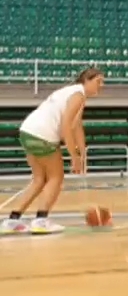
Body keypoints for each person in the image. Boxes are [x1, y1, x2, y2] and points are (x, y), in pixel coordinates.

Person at [1, 68, 104, 235]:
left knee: (39, 179)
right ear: (87, 80)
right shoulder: (78, 95)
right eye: (98, 81)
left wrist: (82, 152)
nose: (101, 85)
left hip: (27, 131)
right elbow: (65, 127)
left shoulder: (72, 93)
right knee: (56, 177)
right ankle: (41, 221)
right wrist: (74, 157)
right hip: (43, 134)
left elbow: (76, 125)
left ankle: (12, 220)